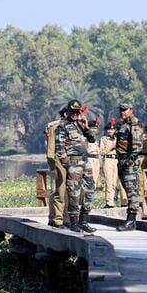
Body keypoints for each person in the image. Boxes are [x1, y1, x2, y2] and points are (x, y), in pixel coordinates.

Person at [54, 99, 97, 233]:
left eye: (77, 111)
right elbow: (59, 147)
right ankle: (74, 222)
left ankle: (83, 220)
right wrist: (67, 163)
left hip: (85, 162)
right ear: (67, 111)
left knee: (90, 190)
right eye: (72, 111)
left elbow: (92, 139)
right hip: (73, 163)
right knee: (74, 194)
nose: (75, 114)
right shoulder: (63, 126)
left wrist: (85, 126)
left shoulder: (80, 125)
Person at [115, 103, 144, 231]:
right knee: (127, 190)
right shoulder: (124, 124)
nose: (122, 112)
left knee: (132, 190)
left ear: (131, 110)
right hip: (121, 160)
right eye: (121, 110)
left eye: (125, 110)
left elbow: (137, 145)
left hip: (129, 163)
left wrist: (130, 160)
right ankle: (130, 219)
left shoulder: (134, 124)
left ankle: (131, 220)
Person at [46, 106, 69, 228]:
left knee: (67, 191)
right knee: (58, 190)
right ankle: (55, 218)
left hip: (70, 162)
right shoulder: (53, 126)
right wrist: (52, 166)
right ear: (65, 113)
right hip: (57, 161)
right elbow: (50, 148)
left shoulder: (73, 126)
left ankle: (65, 218)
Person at [99, 118, 127, 208]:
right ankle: (109, 202)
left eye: (112, 129)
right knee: (109, 182)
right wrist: (110, 148)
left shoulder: (117, 139)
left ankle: (121, 201)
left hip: (116, 160)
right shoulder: (104, 139)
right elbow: (101, 151)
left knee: (115, 182)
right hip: (108, 159)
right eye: (109, 129)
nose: (110, 131)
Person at [86, 120, 101, 190]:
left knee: (95, 178)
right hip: (89, 159)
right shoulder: (87, 138)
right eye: (92, 128)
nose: (94, 130)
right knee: (89, 178)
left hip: (96, 159)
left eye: (95, 128)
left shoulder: (96, 139)